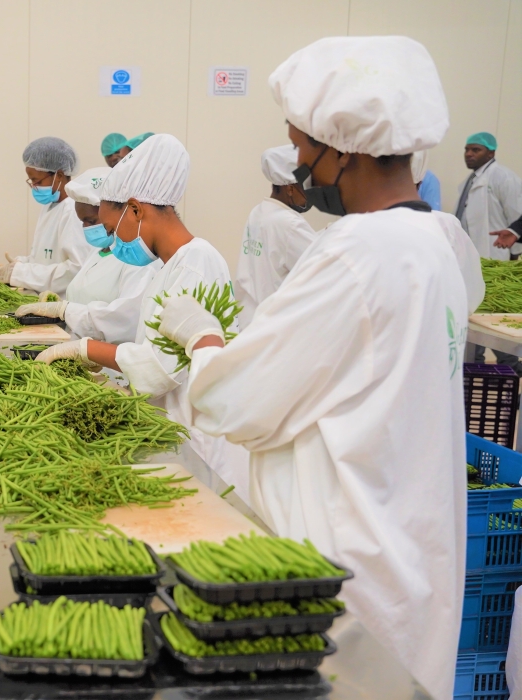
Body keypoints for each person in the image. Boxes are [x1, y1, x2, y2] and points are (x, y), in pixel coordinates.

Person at [153, 37, 467, 699]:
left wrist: (203, 338)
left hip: (345, 571)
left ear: (344, 146)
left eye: (301, 144)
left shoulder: (358, 251)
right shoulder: (438, 242)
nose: (298, 163)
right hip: (411, 563)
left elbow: (238, 405)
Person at [32, 134, 247, 501]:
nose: (114, 246)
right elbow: (156, 347)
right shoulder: (168, 266)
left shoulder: (197, 264)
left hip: (196, 439)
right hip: (166, 426)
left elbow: (161, 368)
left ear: (135, 210)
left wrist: (86, 350)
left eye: (114, 232)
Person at [14, 166, 160, 343]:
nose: (87, 228)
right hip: (80, 354)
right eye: (82, 222)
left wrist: (65, 311)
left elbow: (123, 321)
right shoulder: (99, 252)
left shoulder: (140, 261)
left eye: (91, 221)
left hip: (109, 366)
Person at [0, 137, 95, 295]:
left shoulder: (74, 210)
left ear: (60, 176)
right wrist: (18, 264)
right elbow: (43, 259)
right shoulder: (50, 207)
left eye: (37, 181)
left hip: (62, 303)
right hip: (42, 300)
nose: (34, 187)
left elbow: (76, 271)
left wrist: (21, 273)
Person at [233, 145, 317, 328]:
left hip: (247, 323)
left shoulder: (258, 212)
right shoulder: (290, 224)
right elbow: (325, 264)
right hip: (273, 328)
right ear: (290, 188)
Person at [457, 132, 522, 261]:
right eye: (467, 149)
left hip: (496, 251)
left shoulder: (504, 177)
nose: (469, 154)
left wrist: (515, 253)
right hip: (468, 252)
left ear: (491, 153)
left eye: (476, 150)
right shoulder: (469, 180)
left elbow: (516, 215)